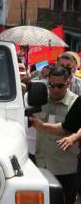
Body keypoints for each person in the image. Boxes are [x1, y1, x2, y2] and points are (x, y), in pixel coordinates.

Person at [29, 65, 79, 204]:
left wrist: (73, 137)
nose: (55, 89)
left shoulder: (75, 103)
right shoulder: (40, 100)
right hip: (41, 167)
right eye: (52, 85)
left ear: (68, 82)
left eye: (60, 85)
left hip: (65, 169)